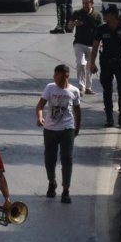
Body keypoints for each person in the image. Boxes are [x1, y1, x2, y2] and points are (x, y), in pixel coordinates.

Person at [36, 64, 82, 203]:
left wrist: (77, 128)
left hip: (67, 129)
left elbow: (77, 111)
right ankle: (52, 182)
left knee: (67, 159)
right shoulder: (50, 88)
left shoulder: (74, 91)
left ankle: (66, 190)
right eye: (54, 75)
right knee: (50, 159)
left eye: (58, 75)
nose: (54, 78)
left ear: (66, 76)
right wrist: (40, 117)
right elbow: (40, 106)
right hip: (50, 129)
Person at [89, 5, 121, 128]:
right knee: (107, 91)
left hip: (120, 63)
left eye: (106, 14)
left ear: (113, 15)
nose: (104, 16)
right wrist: (92, 63)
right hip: (106, 63)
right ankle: (109, 117)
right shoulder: (101, 29)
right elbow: (95, 47)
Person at [66, 0, 102, 94]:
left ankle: (88, 88)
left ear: (92, 3)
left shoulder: (97, 16)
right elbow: (69, 27)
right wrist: (74, 24)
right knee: (81, 63)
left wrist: (101, 43)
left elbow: (101, 31)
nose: (85, 5)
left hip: (92, 45)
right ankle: (81, 87)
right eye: (83, 3)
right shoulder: (77, 13)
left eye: (87, 3)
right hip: (79, 43)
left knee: (90, 66)